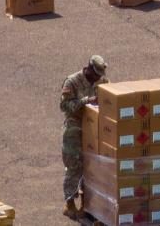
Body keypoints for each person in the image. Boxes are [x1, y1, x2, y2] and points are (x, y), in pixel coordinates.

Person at [59, 55, 108, 219]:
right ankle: (69, 202)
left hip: (93, 131)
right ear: (88, 68)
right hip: (74, 130)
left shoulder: (102, 82)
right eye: (96, 74)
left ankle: (87, 206)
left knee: (92, 167)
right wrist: (86, 101)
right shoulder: (72, 82)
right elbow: (64, 106)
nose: (98, 77)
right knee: (74, 166)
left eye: (100, 75)